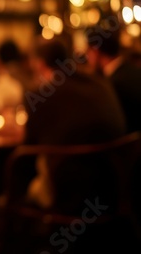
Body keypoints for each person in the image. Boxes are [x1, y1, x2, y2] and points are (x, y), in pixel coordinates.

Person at [22, 37, 127, 212]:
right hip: (114, 186)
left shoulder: (41, 94)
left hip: (68, 193)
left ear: (39, 64)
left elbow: (29, 146)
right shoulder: (99, 82)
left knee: (22, 168)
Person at [86, 18, 141, 133]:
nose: (87, 57)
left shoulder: (113, 83)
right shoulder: (133, 69)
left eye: (88, 52)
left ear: (96, 51)